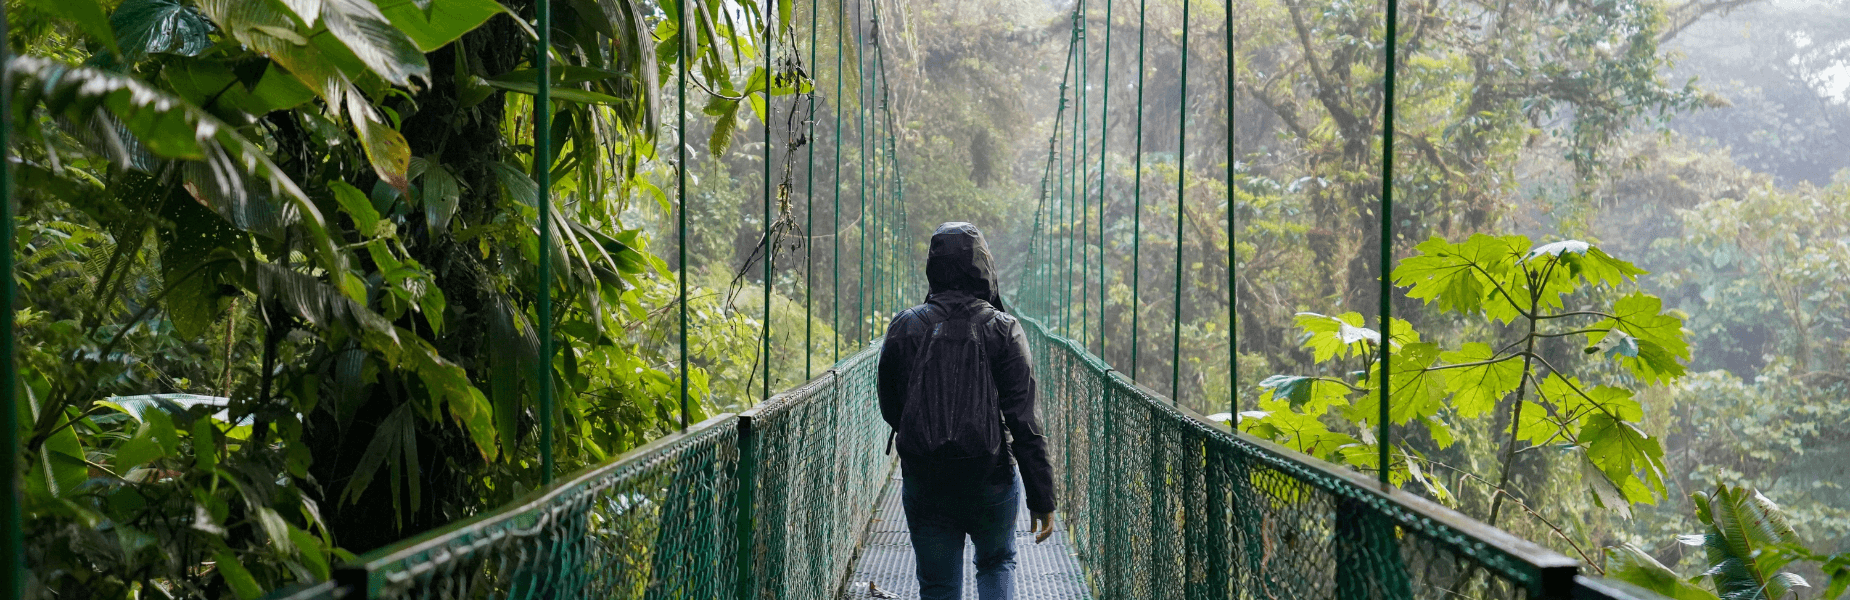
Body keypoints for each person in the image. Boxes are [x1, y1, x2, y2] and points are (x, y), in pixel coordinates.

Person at [877, 222, 1056, 600]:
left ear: (933, 267)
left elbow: (891, 406)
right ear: (984, 267)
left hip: (926, 481)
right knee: (996, 564)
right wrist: (1042, 498)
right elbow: (1024, 422)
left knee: (939, 585)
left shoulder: (905, 327)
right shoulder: (1004, 329)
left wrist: (927, 436)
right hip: (991, 477)